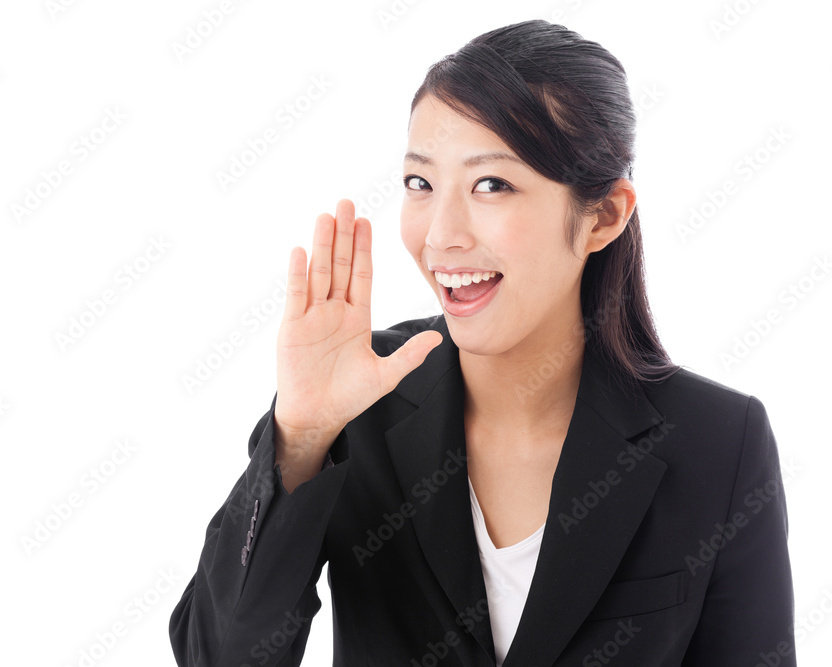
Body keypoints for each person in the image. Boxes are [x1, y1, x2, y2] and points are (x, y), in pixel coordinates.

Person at [170, 19, 796, 666]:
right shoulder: (358, 399)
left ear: (604, 215)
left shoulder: (720, 440)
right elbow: (219, 657)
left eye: (491, 184)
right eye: (421, 183)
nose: (440, 235)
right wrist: (301, 436)